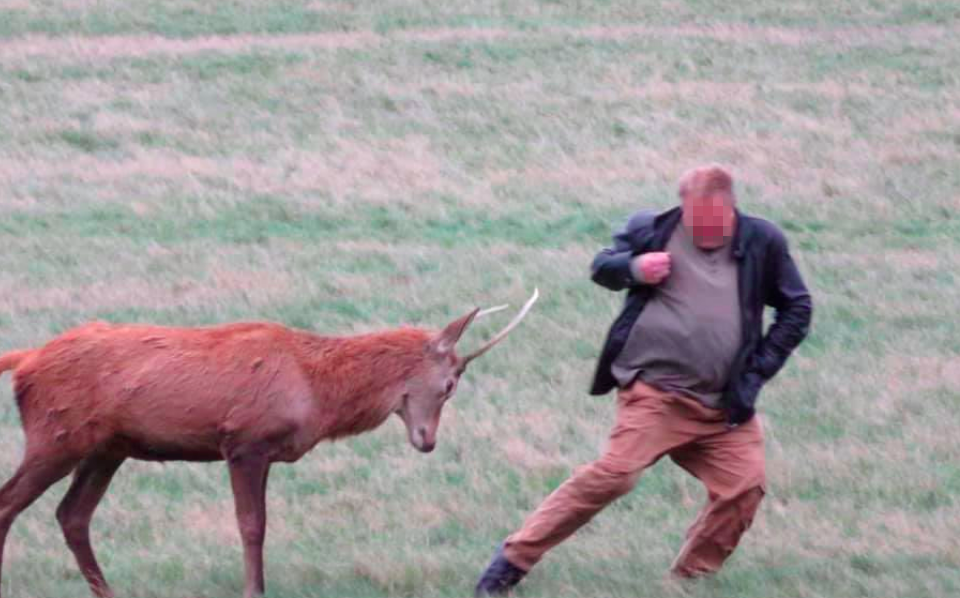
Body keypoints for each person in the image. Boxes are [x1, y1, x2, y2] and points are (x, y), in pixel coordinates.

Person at [475, 164, 813, 595]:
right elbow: (602, 268)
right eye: (695, 222)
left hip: (724, 403)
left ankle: (688, 582)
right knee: (615, 475)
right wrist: (635, 268)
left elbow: (797, 308)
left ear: (732, 209)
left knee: (744, 488)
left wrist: (756, 373)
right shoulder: (653, 229)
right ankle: (510, 563)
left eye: (715, 222)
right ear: (682, 208)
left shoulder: (763, 241)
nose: (704, 231)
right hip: (655, 395)